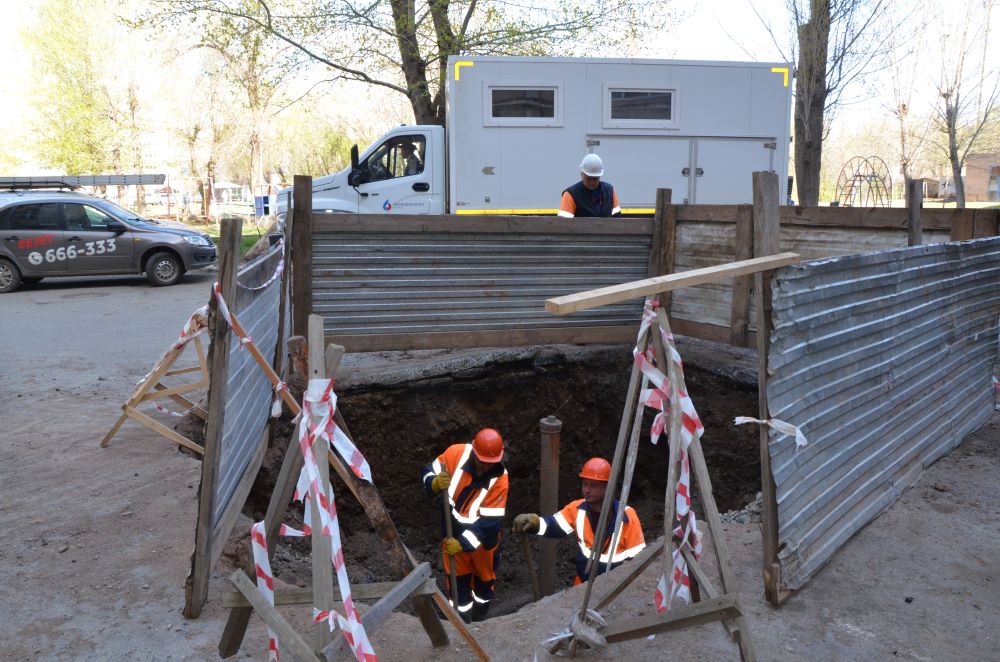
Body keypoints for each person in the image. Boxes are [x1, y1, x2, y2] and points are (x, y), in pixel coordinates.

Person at [512, 457, 645, 585]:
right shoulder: (576, 509)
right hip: (582, 585)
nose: (587, 490)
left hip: (612, 589)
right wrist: (535, 523)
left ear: (608, 488)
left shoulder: (627, 517)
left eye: (593, 486)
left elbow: (639, 561)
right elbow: (553, 525)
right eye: (585, 484)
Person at [422, 428, 509, 622]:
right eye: (482, 461)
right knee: (457, 581)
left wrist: (462, 544)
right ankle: (460, 620)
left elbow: (488, 524)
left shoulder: (500, 480)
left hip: (482, 543)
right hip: (452, 532)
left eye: (491, 463)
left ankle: (481, 615)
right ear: (474, 451)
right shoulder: (456, 454)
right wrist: (433, 483)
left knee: (484, 582)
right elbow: (428, 471)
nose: (486, 466)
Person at [557, 154, 622, 218]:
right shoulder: (570, 194)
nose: (592, 182)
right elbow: (563, 223)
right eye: (588, 178)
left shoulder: (609, 191)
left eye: (595, 179)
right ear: (581, 174)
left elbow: (617, 218)